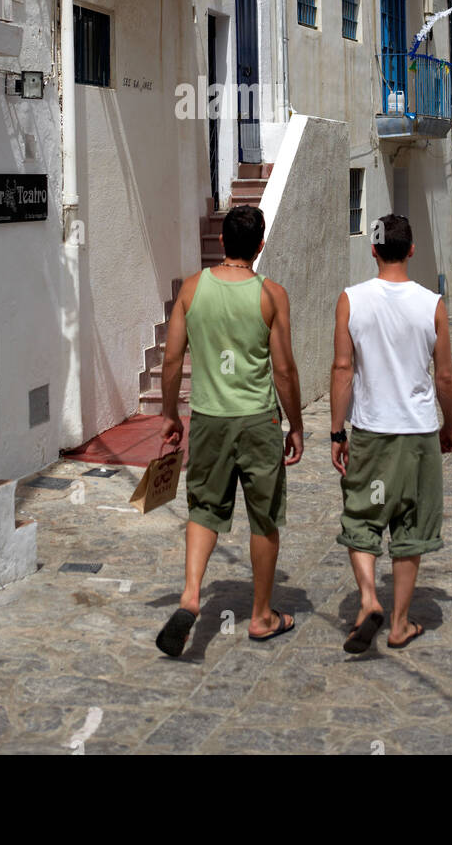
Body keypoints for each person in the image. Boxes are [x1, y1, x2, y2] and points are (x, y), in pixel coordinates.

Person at [156, 204, 303, 657]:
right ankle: (261, 616)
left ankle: (191, 595)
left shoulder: (192, 289)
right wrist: (296, 424)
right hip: (258, 420)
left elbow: (172, 360)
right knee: (264, 517)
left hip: (208, 419)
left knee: (204, 509)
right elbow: (284, 369)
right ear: (260, 246)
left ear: (221, 241)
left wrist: (169, 414)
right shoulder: (271, 295)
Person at [329, 213, 452, 654]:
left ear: (373, 250)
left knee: (362, 518)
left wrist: (336, 432)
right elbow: (445, 377)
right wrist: (450, 427)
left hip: (371, 431)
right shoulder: (432, 305)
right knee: (411, 526)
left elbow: (342, 369)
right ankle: (400, 624)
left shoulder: (351, 300)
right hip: (418, 433)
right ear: (412, 250)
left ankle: (368, 599)